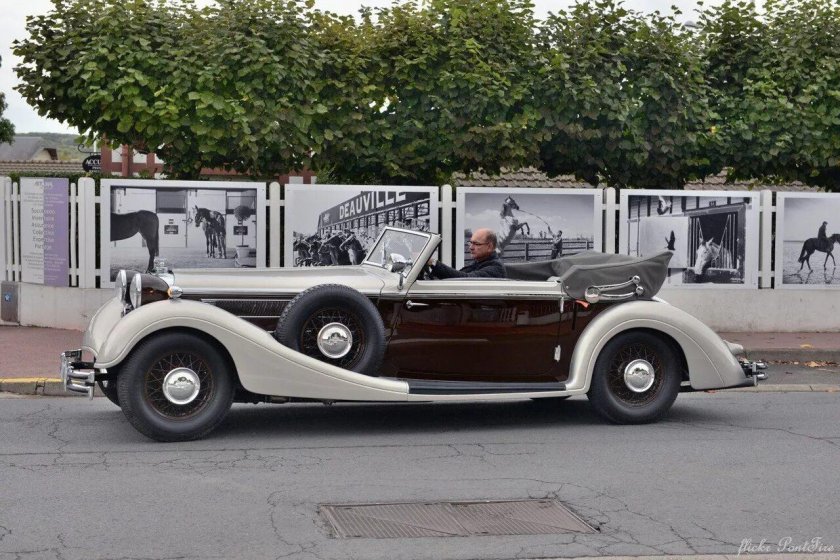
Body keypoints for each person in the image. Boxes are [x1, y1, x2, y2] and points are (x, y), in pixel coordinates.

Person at [427, 228, 506, 279]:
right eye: (470, 243)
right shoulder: (479, 262)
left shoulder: (495, 268)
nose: (471, 247)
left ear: (489, 247)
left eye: (476, 244)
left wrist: (433, 262)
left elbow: (465, 279)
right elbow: (459, 275)